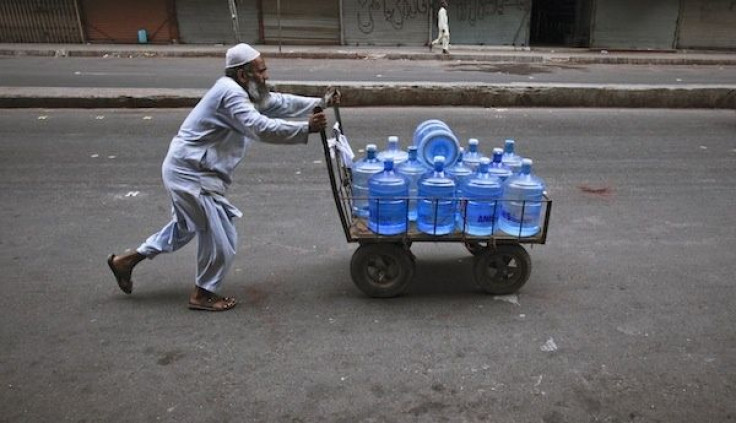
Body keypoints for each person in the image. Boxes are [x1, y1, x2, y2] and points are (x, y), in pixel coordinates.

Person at [107, 43, 338, 312]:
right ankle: (203, 293)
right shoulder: (230, 94)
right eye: (261, 71)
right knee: (222, 237)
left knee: (184, 228)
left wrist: (319, 103)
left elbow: (277, 103)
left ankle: (125, 261)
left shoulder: (245, 91)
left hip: (192, 169)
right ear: (243, 75)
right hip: (192, 173)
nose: (266, 77)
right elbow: (258, 127)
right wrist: (305, 129)